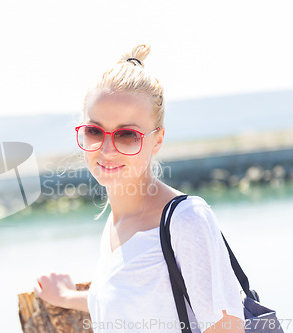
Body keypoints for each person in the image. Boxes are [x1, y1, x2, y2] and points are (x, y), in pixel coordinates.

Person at [34, 44, 245, 333]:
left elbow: (226, 327)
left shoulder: (187, 220)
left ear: (157, 140)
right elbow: (138, 305)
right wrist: (68, 298)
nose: (107, 150)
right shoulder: (115, 224)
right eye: (94, 131)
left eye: (127, 136)